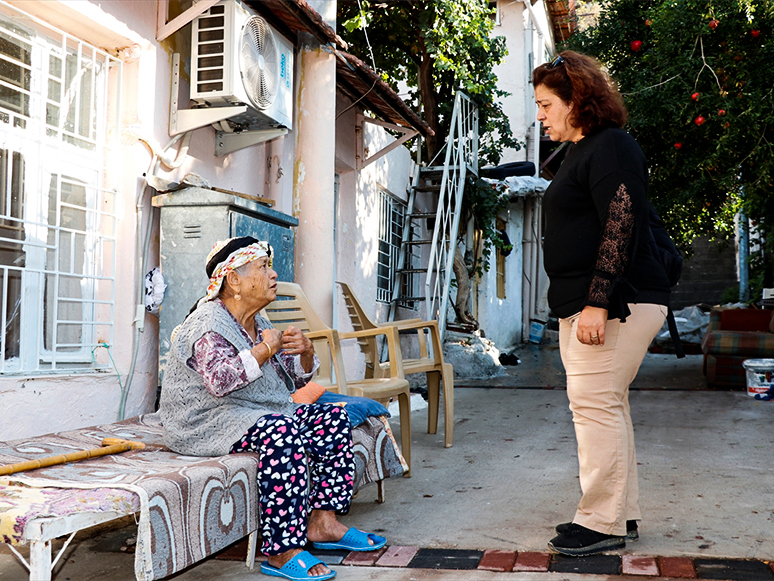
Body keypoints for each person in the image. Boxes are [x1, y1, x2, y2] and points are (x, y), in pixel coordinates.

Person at [159, 236, 386, 581]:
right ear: (233, 280)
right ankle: (281, 550)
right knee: (282, 431)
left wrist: (306, 353)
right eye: (264, 267)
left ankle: (322, 523)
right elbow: (220, 381)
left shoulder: (260, 322)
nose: (273, 273)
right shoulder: (207, 324)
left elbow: (288, 383)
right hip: (206, 420)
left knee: (333, 418)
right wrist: (264, 350)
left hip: (249, 411)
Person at [532, 51, 672, 557]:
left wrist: (598, 302)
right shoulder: (584, 150)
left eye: (546, 105)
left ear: (578, 101)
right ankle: (620, 515)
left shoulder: (611, 147)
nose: (541, 115)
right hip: (594, 302)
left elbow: (621, 222)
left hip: (616, 302)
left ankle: (601, 522)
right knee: (605, 406)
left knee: (593, 407)